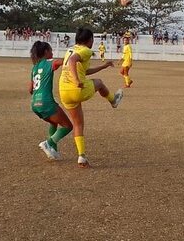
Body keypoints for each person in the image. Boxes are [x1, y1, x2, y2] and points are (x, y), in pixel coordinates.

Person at [59, 28, 123, 168]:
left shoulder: (70, 49)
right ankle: (113, 100)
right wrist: (76, 80)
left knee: (78, 124)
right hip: (76, 88)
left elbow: (84, 70)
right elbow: (73, 61)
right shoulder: (86, 50)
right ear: (90, 40)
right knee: (99, 83)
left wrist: (103, 66)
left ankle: (82, 156)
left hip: (64, 91)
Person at [29, 41, 73, 161]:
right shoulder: (49, 62)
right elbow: (63, 61)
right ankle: (48, 143)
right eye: (51, 51)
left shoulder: (34, 67)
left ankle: (53, 151)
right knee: (68, 126)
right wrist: (74, 57)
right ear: (46, 52)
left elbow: (30, 89)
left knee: (53, 123)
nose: (52, 53)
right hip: (46, 102)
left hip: (35, 104)